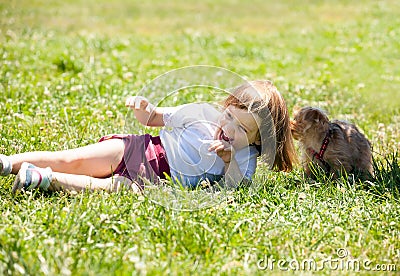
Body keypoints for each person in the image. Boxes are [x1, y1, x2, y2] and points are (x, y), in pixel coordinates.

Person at [0, 80, 296, 193]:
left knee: (115, 188)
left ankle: (39, 178)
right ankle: (8, 162)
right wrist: (145, 108)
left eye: (243, 130)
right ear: (226, 107)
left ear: (260, 140)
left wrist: (229, 161)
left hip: (157, 180)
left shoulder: (246, 158)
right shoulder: (203, 113)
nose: (230, 129)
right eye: (230, 117)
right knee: (72, 159)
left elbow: (236, 187)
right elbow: (154, 118)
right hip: (140, 149)